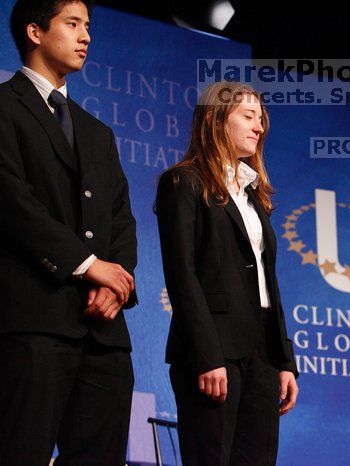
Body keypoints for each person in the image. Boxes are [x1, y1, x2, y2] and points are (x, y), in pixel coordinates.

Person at [0, 0, 138, 464]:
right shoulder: (3, 108)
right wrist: (87, 265)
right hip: (33, 323)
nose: (86, 36)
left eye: (89, 27)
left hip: (103, 333)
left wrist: (116, 283)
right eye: (73, 24)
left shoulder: (97, 132)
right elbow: (11, 201)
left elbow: (122, 217)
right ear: (36, 32)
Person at [155, 81, 298, 465]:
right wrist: (206, 355)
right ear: (217, 120)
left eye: (262, 119)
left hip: (262, 352)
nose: (259, 127)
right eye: (248, 116)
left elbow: (269, 284)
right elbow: (182, 274)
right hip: (213, 348)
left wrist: (284, 361)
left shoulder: (256, 196)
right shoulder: (183, 182)